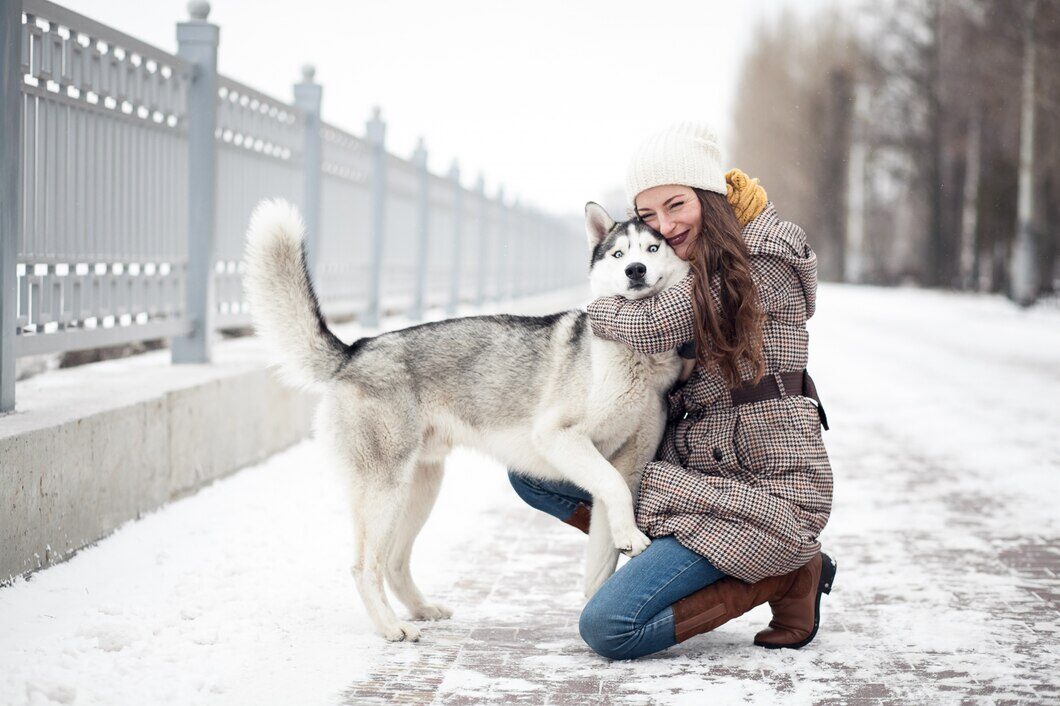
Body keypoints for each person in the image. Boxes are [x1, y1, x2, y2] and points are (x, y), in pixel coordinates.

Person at [508, 122, 835, 660]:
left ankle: (787, 572)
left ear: (708, 192)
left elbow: (654, 324)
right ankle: (663, 551)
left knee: (610, 628)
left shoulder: (767, 255)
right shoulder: (687, 260)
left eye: (676, 204)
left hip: (767, 492)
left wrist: (598, 302)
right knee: (534, 470)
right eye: (650, 214)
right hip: (694, 473)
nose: (665, 225)